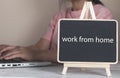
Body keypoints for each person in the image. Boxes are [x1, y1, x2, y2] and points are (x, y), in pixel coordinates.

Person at [0, 0, 112, 62]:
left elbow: (81, 54)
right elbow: (39, 48)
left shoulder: (102, 14)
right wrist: (11, 49)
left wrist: (33, 55)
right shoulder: (59, 15)